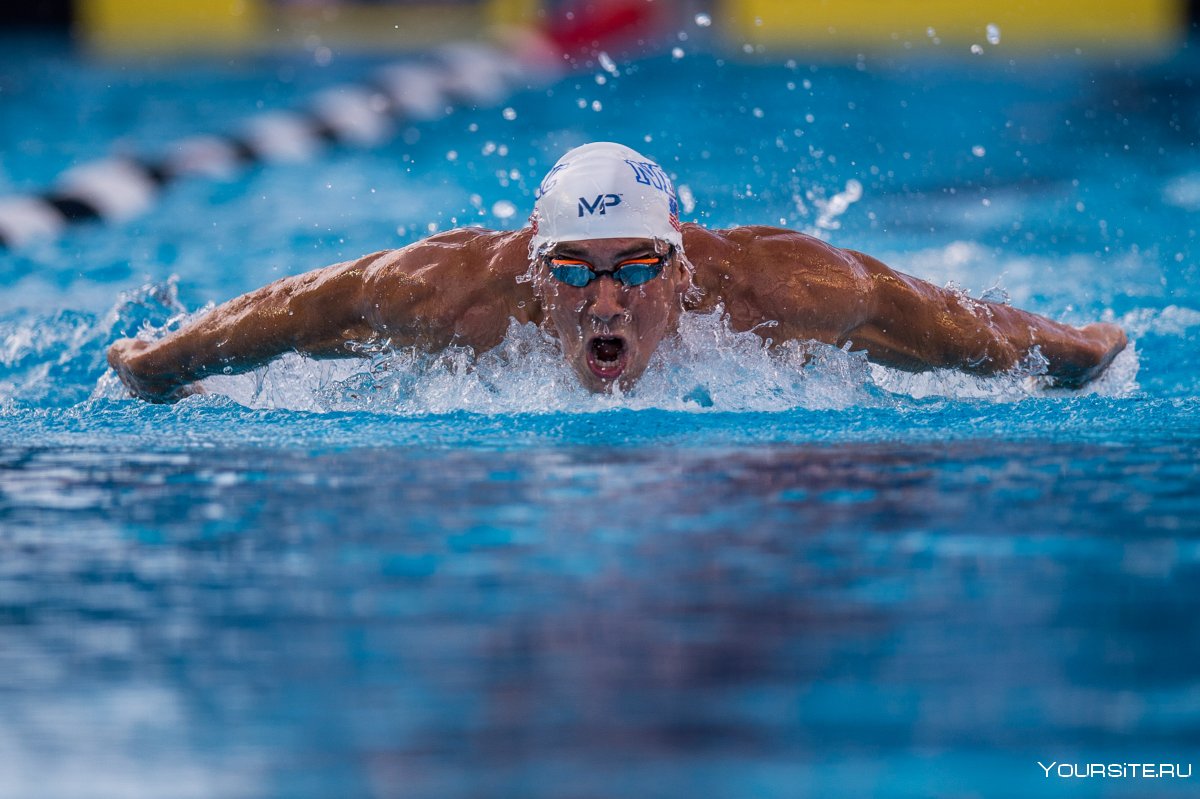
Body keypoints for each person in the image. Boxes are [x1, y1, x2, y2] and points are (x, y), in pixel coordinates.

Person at [107, 142, 1126, 402]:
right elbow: (295, 308)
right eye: (577, 271)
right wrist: (167, 361)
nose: (604, 298)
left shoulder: (779, 289)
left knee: (895, 342)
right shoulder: (453, 289)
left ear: (680, 266)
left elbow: (946, 320)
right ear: (534, 269)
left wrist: (1074, 349)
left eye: (635, 266)